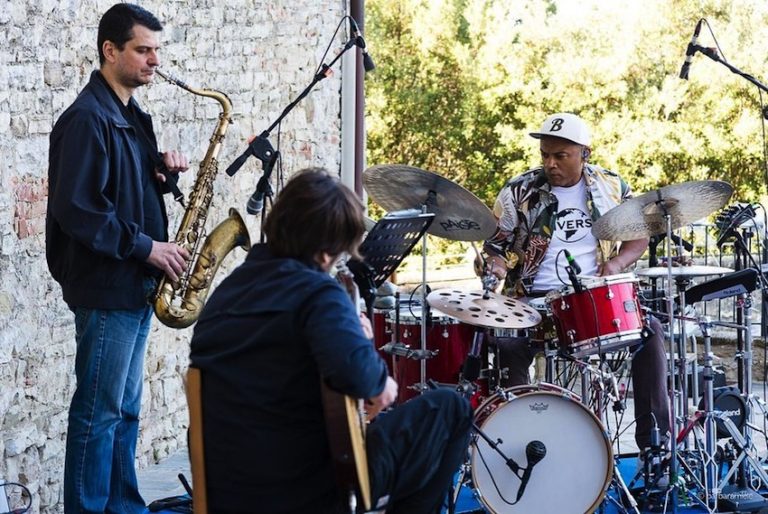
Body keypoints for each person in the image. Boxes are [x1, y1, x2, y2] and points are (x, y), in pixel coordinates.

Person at [190, 168, 472, 514]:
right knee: (451, 408)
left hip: (228, 490)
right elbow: (375, 390)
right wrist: (360, 342)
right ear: (326, 251)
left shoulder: (227, 291)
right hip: (305, 488)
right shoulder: (317, 292)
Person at [46, 4, 190, 512]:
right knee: (97, 413)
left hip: (132, 285)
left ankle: (123, 506)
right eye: (142, 50)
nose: (154, 60)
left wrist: (162, 171)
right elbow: (80, 211)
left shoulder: (131, 116)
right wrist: (148, 247)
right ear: (111, 51)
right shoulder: (87, 119)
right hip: (107, 286)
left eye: (157, 50)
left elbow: (122, 190)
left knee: (125, 411)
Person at [479, 113, 671, 456]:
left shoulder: (612, 187)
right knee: (507, 344)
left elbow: (638, 238)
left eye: (560, 155)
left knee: (651, 331)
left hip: (592, 301)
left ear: (585, 153)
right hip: (532, 303)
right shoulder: (518, 190)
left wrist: (615, 264)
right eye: (545, 155)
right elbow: (496, 245)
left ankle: (655, 447)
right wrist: (493, 266)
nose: (550, 164)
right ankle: (521, 445)